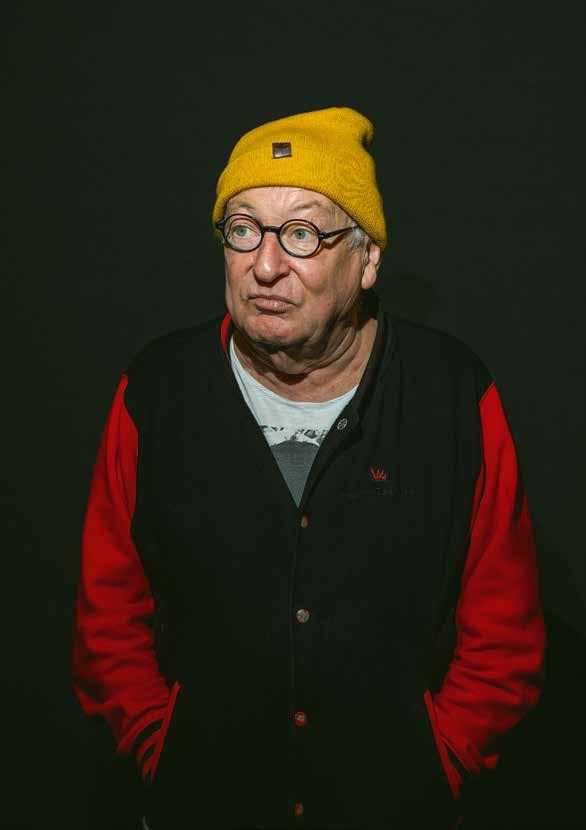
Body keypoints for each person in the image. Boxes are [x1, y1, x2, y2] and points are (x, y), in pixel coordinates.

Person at [72, 106, 546, 830]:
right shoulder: (157, 390)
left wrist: (439, 764)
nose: (265, 266)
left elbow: (504, 632)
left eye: (302, 234)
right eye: (243, 230)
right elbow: (108, 614)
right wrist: (159, 750)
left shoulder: (452, 393)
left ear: (368, 258)